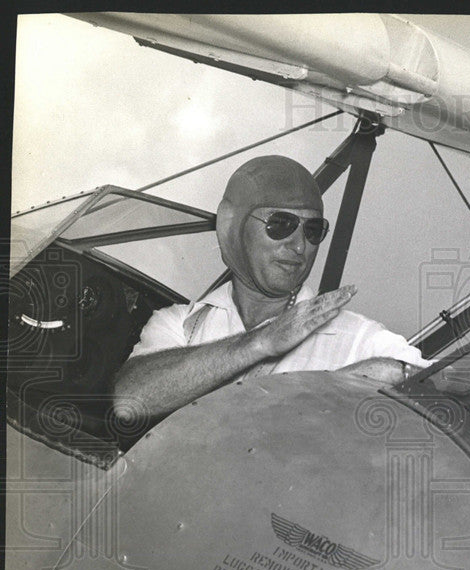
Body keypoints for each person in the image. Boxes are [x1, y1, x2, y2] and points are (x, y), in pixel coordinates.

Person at [113, 155, 430, 419]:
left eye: (313, 230)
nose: (299, 245)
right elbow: (129, 402)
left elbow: (447, 382)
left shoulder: (355, 336)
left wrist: (350, 385)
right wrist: (260, 342)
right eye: (281, 225)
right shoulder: (182, 324)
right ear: (232, 226)